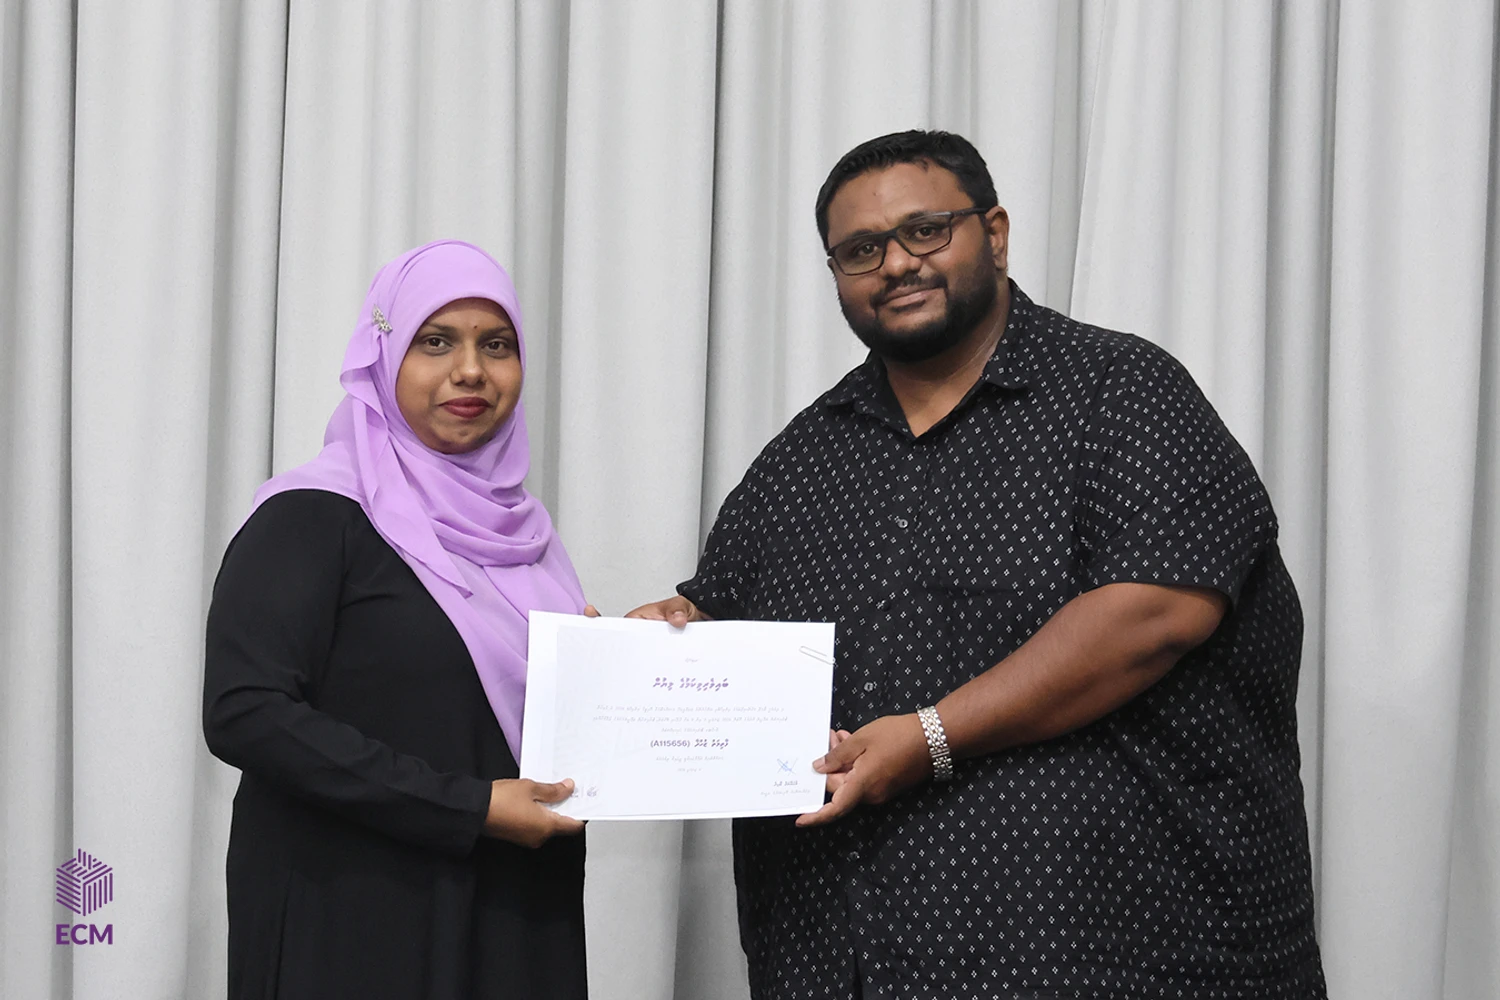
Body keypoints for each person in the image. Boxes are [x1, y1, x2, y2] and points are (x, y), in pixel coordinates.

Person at [628, 131, 1327, 999]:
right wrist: (663, 645)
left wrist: (928, 738)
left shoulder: (1120, 389)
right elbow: (718, 629)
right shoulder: (800, 460)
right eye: (861, 250)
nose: (896, 263)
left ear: (994, 235)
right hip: (841, 964)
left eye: (925, 230)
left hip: (1124, 956)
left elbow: (1154, 614)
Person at [204, 240, 591, 999]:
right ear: (381, 358)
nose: (471, 370)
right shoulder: (312, 516)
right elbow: (245, 712)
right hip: (352, 916)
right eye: (435, 341)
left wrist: (635, 670)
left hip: (512, 912)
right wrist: (470, 808)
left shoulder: (528, 541)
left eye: (497, 345)